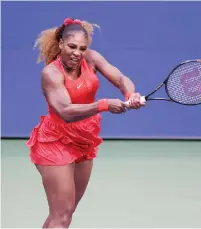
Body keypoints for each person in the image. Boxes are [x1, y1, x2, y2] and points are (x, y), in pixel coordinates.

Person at [26, 17, 145, 228]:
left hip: (85, 140)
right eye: (72, 46)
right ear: (61, 43)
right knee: (61, 215)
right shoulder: (51, 74)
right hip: (55, 141)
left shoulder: (91, 58)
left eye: (82, 48)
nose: (77, 53)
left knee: (66, 212)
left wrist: (131, 93)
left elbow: (120, 78)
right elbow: (65, 111)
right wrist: (104, 105)